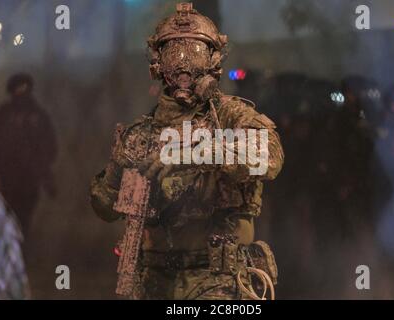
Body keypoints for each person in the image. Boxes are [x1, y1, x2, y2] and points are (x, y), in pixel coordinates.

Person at [91, 3, 284, 300]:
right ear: (158, 63)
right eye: (173, 53)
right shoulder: (141, 133)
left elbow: (269, 159)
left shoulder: (232, 116)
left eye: (194, 53)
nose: (183, 64)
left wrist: (196, 151)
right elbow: (104, 207)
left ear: (212, 60)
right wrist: (120, 169)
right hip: (154, 280)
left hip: (218, 277)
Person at [0, 73, 57, 235]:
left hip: (29, 177)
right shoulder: (3, 114)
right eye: (18, 88)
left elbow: (49, 146)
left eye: (24, 88)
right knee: (7, 214)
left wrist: (44, 172)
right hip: (7, 175)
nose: (21, 92)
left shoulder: (38, 116)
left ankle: (20, 244)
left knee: (24, 216)